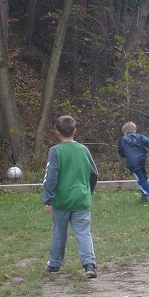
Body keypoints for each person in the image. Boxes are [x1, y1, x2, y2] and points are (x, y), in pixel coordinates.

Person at [42, 115, 99, 278]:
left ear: (56, 132)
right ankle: (89, 265)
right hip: (81, 199)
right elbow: (94, 173)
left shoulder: (55, 151)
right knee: (83, 233)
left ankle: (54, 265)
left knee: (59, 233)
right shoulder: (83, 150)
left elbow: (51, 176)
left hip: (61, 200)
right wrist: (88, 192)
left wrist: (48, 197)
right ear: (75, 131)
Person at [118, 121, 149, 206]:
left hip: (132, 163)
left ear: (125, 132)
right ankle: (144, 197)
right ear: (134, 130)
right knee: (143, 176)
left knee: (140, 180)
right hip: (141, 160)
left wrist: (124, 155)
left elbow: (121, 152)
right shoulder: (139, 137)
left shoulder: (123, 140)